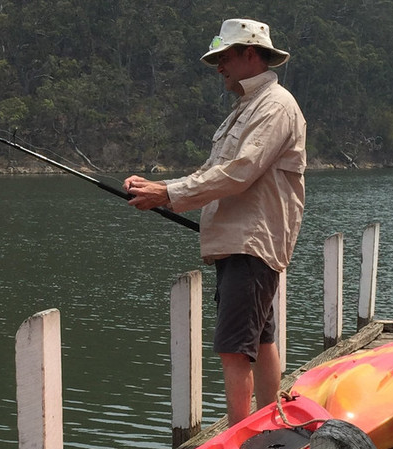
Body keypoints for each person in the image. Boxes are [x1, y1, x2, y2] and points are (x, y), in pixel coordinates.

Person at [124, 18, 306, 425]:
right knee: (259, 337)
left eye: (224, 57)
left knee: (234, 346)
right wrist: (161, 189)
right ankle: (268, 423)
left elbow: (240, 172)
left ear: (249, 54)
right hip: (239, 241)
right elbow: (214, 169)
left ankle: (242, 437)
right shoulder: (246, 108)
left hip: (251, 241)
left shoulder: (275, 106)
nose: (219, 66)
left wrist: (168, 194)